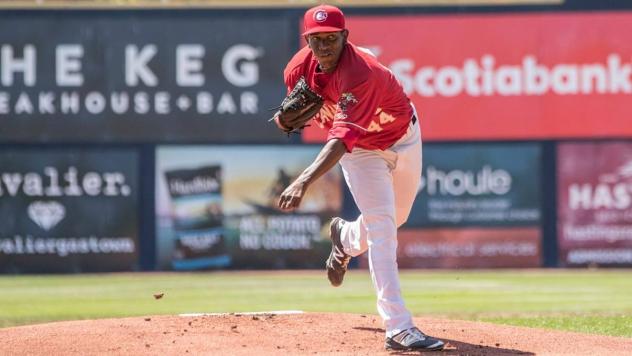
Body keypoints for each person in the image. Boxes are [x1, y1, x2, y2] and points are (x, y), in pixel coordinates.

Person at [273, 4, 445, 352]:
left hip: (402, 137)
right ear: (307, 40)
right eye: (316, 39)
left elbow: (338, 140)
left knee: (398, 218)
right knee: (383, 225)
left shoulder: (361, 72)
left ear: (345, 37)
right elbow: (290, 116)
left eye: (331, 39)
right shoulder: (296, 71)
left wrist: (303, 181)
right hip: (362, 153)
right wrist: (281, 121)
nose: (324, 47)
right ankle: (398, 327)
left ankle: (346, 238)